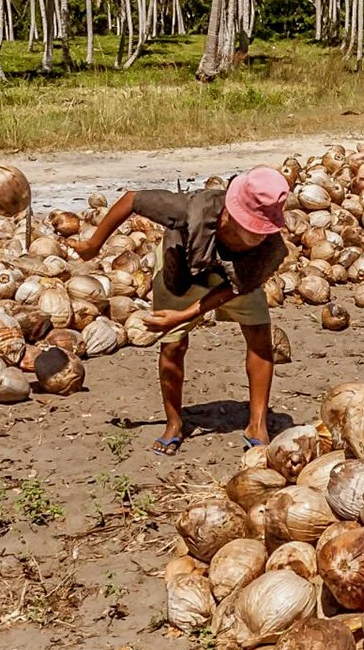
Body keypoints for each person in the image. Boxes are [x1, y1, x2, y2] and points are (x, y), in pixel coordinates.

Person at [70, 167, 290, 455]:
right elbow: (131, 199)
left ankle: (257, 423)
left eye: (264, 230)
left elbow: (236, 289)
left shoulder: (269, 247)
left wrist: (186, 315)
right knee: (172, 346)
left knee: (260, 338)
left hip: (235, 280)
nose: (260, 236)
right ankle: (174, 423)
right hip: (182, 268)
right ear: (231, 215)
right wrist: (93, 244)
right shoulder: (189, 209)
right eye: (254, 229)